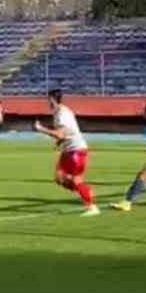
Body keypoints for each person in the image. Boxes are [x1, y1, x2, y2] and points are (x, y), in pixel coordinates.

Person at [35, 89, 99, 217]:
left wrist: (41, 129)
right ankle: (86, 191)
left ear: (52, 99)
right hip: (68, 149)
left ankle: (92, 207)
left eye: (48, 99)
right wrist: (59, 143)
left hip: (76, 150)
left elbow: (61, 133)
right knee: (59, 178)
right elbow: (65, 134)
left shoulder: (62, 113)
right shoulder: (60, 112)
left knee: (76, 180)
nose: (47, 102)